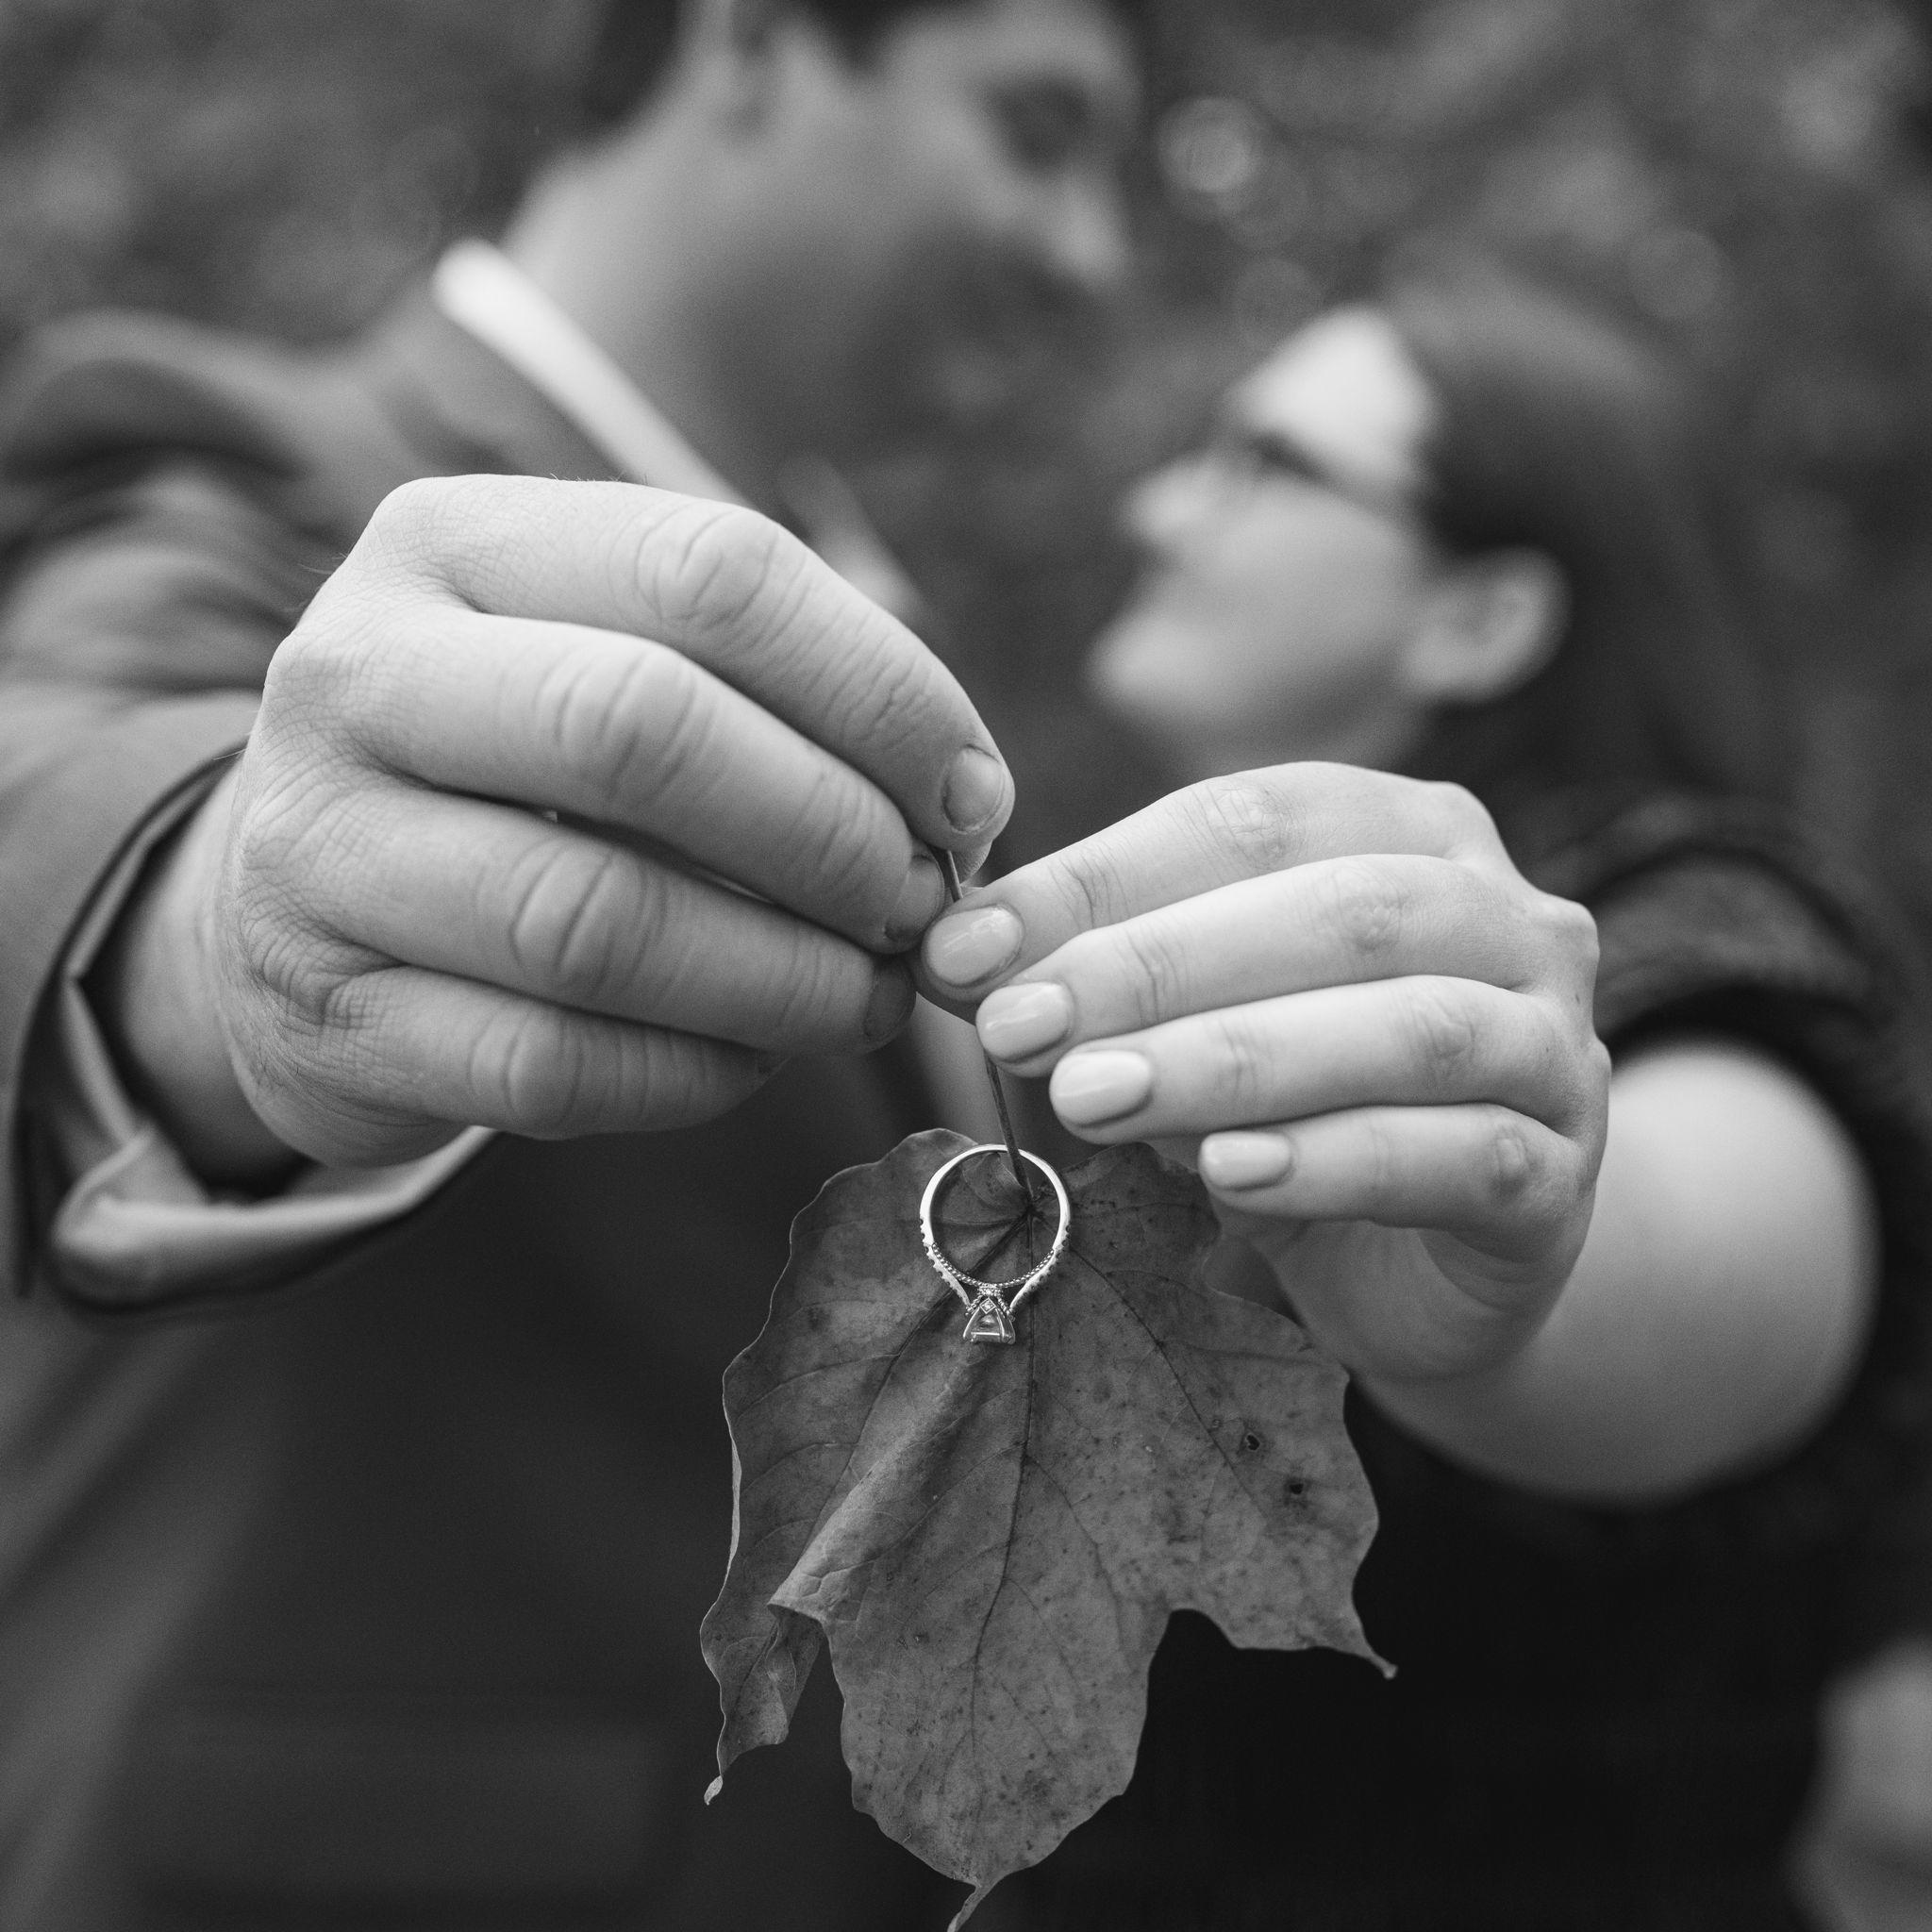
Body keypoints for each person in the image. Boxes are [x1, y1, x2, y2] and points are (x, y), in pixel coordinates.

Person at [0, 0, 1141, 1925]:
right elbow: (59, 776)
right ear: (750, 43)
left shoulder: (883, 615)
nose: (1091, 252)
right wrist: (219, 921)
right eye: (1035, 129)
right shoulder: (257, 469)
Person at [912, 262, 1932, 1925]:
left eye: (1266, 462)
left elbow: (1714, 1244)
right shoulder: (1150, 976)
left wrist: (1515, 1271)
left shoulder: (1707, 926)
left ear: (1481, 617)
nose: (1159, 507)